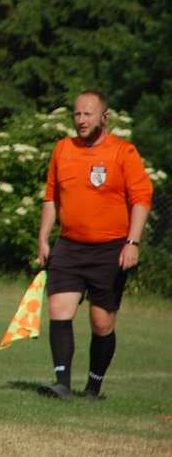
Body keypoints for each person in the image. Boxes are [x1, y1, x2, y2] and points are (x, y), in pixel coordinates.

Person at [36, 90, 153, 400]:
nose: (81, 120)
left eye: (88, 114)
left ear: (104, 117)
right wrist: (43, 238)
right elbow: (51, 198)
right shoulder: (62, 149)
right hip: (70, 246)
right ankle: (61, 383)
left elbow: (141, 199)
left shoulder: (123, 152)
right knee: (59, 309)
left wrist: (132, 241)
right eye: (77, 114)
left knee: (102, 322)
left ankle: (93, 386)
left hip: (110, 249)